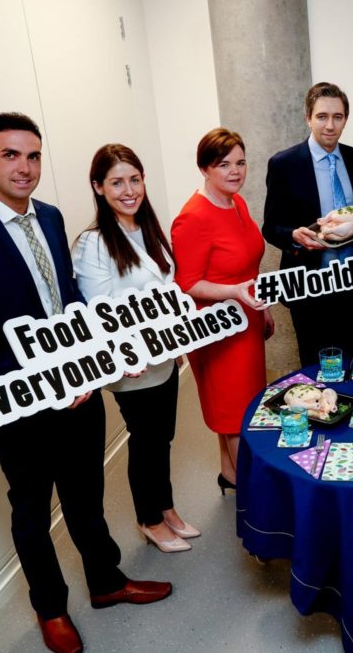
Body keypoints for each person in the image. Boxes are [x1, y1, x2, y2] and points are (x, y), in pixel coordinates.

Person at [0, 113, 171, 653]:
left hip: (79, 387)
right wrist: (43, 376)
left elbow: (70, 302)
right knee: (31, 507)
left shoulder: (52, 218)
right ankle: (50, 608)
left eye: (33, 155)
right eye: (10, 155)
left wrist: (96, 353)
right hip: (16, 399)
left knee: (87, 494)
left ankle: (106, 582)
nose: (24, 167)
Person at [73, 143, 198, 553]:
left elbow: (168, 289)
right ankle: (149, 519)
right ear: (98, 187)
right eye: (116, 182)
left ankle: (166, 508)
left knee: (163, 436)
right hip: (134, 364)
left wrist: (176, 340)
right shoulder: (93, 243)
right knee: (145, 438)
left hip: (166, 354)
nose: (129, 190)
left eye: (134, 179)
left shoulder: (149, 229)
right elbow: (100, 310)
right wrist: (130, 351)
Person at [171, 128, 273, 495]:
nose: (235, 171)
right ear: (204, 168)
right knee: (235, 414)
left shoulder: (237, 202)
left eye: (240, 162)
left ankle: (230, 475)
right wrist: (235, 293)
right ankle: (256, 504)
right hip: (217, 331)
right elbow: (187, 282)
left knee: (241, 410)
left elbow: (247, 264)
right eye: (223, 164)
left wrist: (261, 308)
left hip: (246, 321)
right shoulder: (193, 217)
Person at [263, 82, 353, 366]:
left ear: (345, 119)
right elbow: (271, 226)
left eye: (338, 117)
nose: (330, 125)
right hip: (311, 288)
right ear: (307, 117)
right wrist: (293, 235)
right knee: (317, 370)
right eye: (322, 116)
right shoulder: (284, 164)